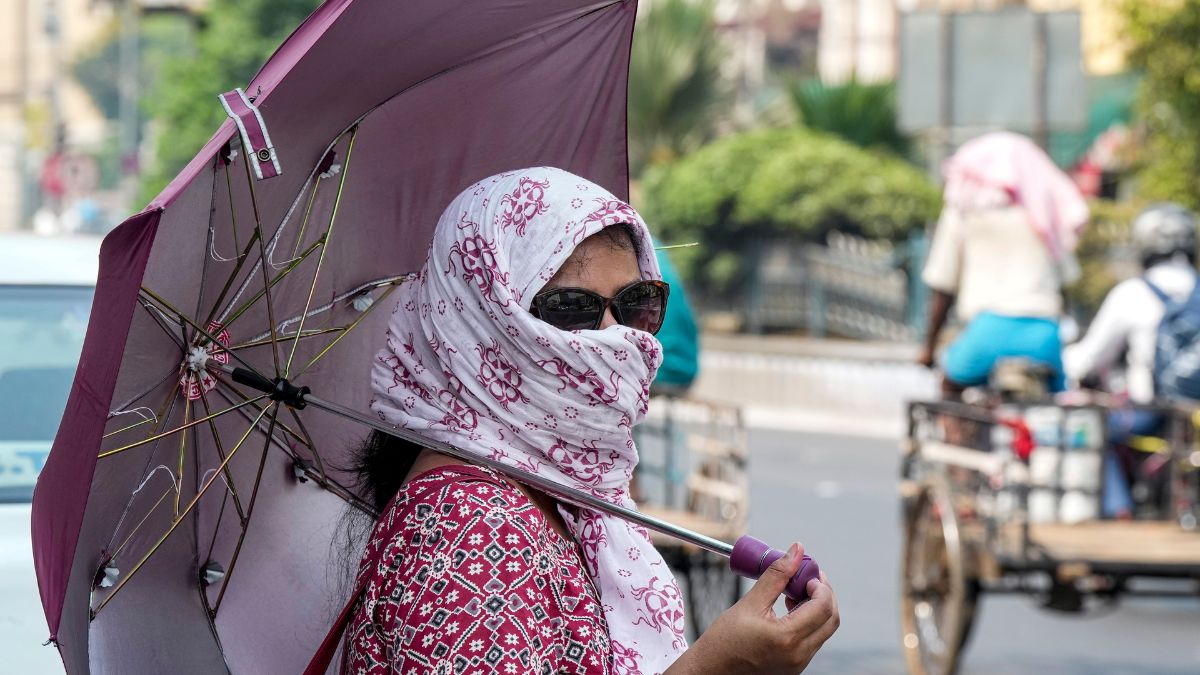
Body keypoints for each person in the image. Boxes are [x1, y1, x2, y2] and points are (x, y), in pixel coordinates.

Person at [336, 168, 838, 674]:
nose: (617, 340)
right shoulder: (471, 530)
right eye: (572, 309)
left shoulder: (551, 494)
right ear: (481, 320)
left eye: (635, 304)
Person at [917, 132, 1089, 396]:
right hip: (1044, 335)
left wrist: (928, 348)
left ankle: (954, 436)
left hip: (987, 331)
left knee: (950, 385)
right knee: (1052, 410)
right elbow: (1068, 279)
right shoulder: (1043, 210)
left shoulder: (965, 205)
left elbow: (943, 283)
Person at [1063, 202, 1199, 517]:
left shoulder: (1133, 293)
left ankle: (1119, 510)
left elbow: (1086, 359)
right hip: (1194, 415)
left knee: (1097, 432)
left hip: (1153, 411)